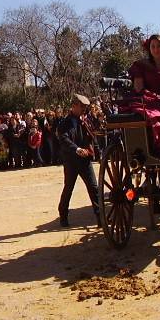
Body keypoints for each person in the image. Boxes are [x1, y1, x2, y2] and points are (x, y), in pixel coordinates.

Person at [120, 34, 160, 156]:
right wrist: (154, 97)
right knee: (155, 114)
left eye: (159, 46)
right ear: (149, 48)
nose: (155, 49)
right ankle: (158, 147)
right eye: (152, 46)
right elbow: (139, 88)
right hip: (145, 99)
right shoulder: (141, 65)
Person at [57, 94, 100, 228]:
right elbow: (64, 139)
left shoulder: (84, 121)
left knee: (94, 188)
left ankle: (100, 217)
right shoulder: (65, 123)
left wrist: (96, 151)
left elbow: (92, 136)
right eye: (82, 107)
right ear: (74, 105)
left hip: (85, 160)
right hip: (71, 161)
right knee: (68, 188)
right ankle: (63, 215)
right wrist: (76, 149)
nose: (84, 110)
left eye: (85, 108)